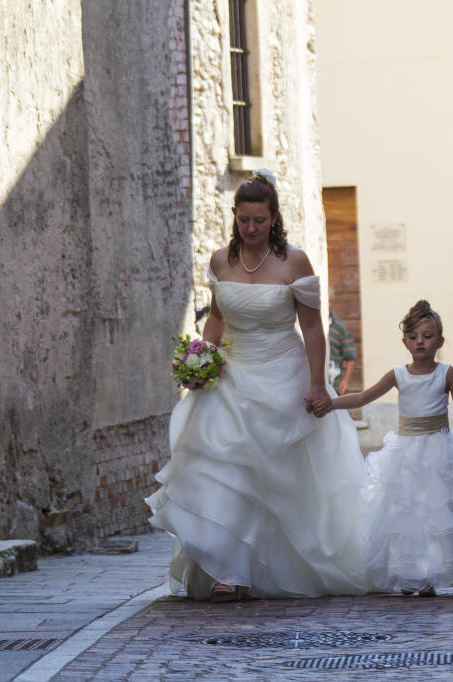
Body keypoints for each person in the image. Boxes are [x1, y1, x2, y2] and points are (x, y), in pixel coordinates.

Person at [146, 169, 370, 601]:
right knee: (225, 472)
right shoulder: (218, 260)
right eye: (244, 220)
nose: (251, 229)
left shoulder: (294, 262)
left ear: (273, 218)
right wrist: (201, 358)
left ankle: (273, 566)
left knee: (275, 478)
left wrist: (318, 385)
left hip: (283, 377)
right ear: (234, 215)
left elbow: (313, 328)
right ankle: (228, 571)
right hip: (230, 378)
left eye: (259, 221)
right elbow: (216, 317)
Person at [317, 300, 453, 597]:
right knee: (406, 514)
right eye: (413, 337)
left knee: (437, 514)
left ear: (440, 340)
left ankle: (431, 574)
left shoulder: (447, 373)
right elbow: (364, 397)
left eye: (427, 336)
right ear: (404, 342)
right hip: (406, 453)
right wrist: (330, 403)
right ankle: (410, 572)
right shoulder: (398, 374)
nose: (420, 342)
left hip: (440, 451)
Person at [328, 312, 357, 395]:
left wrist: (346, 381)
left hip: (334, 385)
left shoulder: (339, 326)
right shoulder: (311, 325)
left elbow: (350, 356)